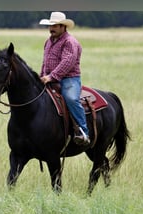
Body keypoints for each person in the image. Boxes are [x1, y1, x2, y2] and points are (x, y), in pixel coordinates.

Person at [39, 11, 90, 146]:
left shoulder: (70, 42)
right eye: (50, 26)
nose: (51, 29)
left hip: (69, 79)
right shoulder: (48, 42)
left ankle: (83, 131)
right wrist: (41, 76)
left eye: (55, 26)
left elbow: (67, 62)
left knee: (71, 99)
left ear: (63, 27)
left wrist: (51, 77)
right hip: (49, 78)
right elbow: (45, 61)